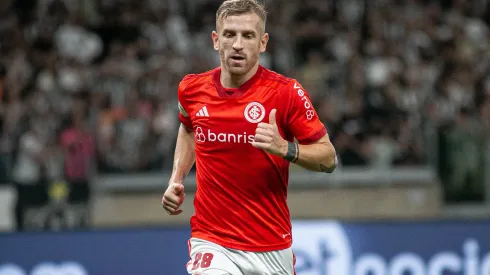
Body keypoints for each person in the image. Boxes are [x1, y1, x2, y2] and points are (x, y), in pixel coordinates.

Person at [161, 0, 337, 274]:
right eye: (230, 34)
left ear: (263, 42)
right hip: (212, 240)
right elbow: (188, 129)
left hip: (270, 246)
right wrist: (176, 179)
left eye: (248, 35)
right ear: (216, 40)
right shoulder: (191, 89)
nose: (238, 44)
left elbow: (329, 158)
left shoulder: (286, 93)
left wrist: (286, 149)